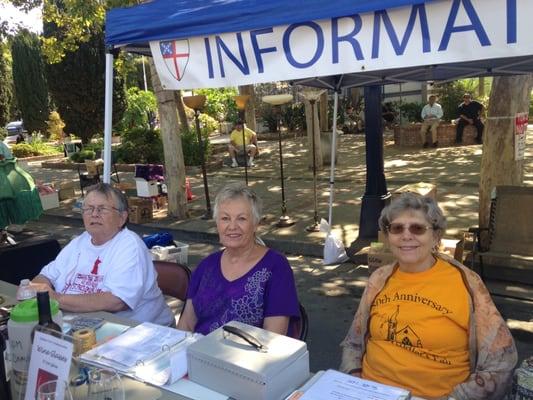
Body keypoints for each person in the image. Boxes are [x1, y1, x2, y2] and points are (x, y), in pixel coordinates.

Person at [340, 193, 516, 400]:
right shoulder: (379, 279)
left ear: (436, 236)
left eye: (417, 228)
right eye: (397, 228)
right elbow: (353, 342)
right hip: (370, 392)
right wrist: (353, 379)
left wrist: (456, 398)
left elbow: (501, 360)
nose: (406, 235)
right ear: (388, 236)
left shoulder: (467, 283)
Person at [32, 183, 174, 326]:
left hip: (137, 332)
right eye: (88, 209)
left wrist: (54, 299)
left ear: (122, 218)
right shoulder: (79, 242)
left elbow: (117, 301)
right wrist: (38, 290)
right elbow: (44, 276)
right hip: (79, 323)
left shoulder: (129, 245)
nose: (94, 214)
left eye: (102, 209)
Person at [177, 182, 300, 336]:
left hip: (247, 358)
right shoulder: (206, 266)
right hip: (199, 354)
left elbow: (273, 337)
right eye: (225, 218)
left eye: (241, 219)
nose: (232, 226)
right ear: (217, 223)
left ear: (255, 224)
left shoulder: (276, 267)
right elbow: (186, 324)